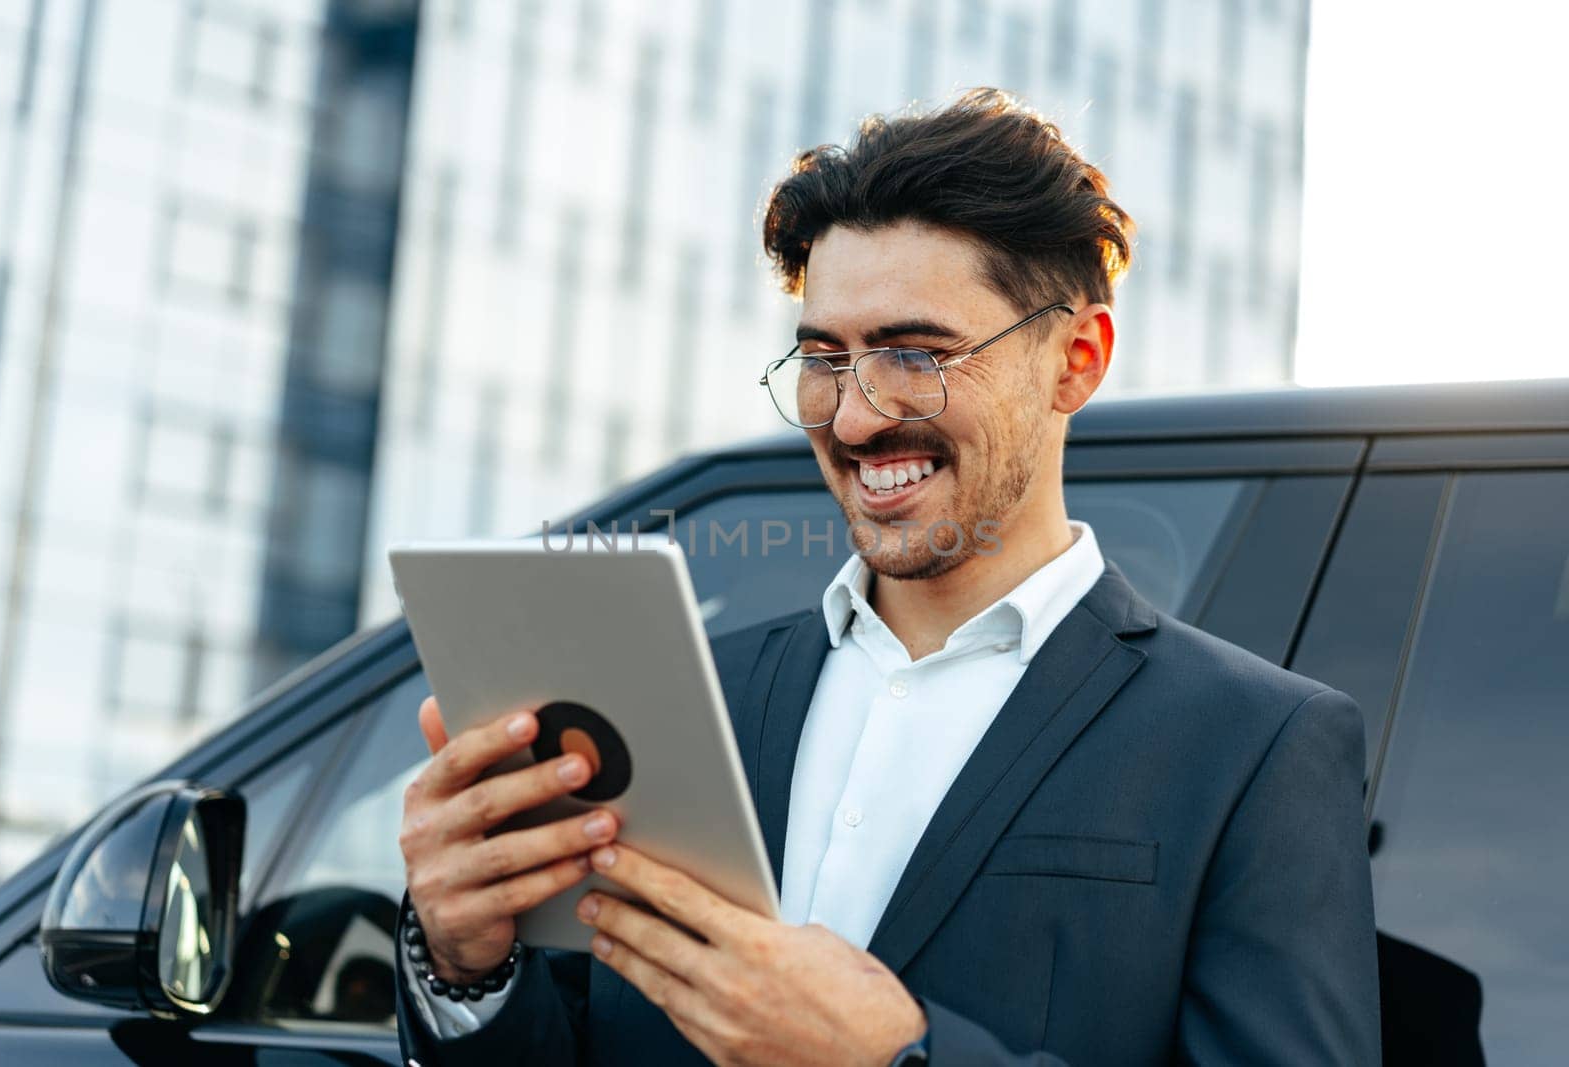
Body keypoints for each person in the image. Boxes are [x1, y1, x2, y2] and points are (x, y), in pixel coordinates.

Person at [393, 88, 1380, 1065]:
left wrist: (899, 1059)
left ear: (1074, 360)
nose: (856, 419)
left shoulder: (1254, 745)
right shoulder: (697, 702)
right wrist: (466, 967)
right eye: (825, 357)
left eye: (915, 353)